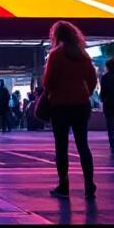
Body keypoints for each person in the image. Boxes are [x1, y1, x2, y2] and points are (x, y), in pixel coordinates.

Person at [42, 20, 99, 199]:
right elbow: (92, 80)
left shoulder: (56, 55)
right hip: (81, 105)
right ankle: (89, 183)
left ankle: (63, 184)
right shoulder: (83, 55)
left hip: (61, 106)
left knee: (61, 147)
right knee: (83, 145)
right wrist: (84, 94)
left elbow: (48, 82)